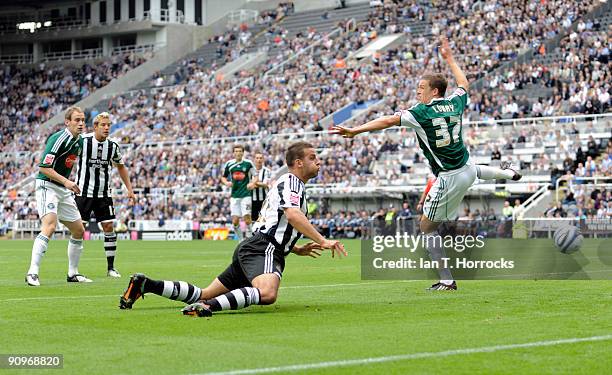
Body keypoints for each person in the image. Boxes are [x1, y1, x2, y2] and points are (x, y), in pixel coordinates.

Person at [331, 36, 521, 291]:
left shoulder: (421, 112)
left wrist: (356, 130)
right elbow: (463, 83)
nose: (417, 91)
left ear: (434, 91)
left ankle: (447, 280)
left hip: (449, 177)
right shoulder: (455, 103)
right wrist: (450, 59)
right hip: (467, 168)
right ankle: (507, 173)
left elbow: (387, 121)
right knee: (474, 171)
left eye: (422, 87)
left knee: (426, 226)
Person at [119, 142, 346, 317]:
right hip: (263, 248)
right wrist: (323, 240)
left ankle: (146, 284)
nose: (318, 162)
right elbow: (292, 215)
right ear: (298, 163)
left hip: (254, 246)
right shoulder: (291, 182)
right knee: (267, 293)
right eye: (313, 158)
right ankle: (205, 308)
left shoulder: (287, 184)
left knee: (204, 292)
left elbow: (273, 221)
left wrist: (295, 248)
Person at [26, 106, 90, 286]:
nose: (81, 123)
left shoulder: (79, 142)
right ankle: (32, 272)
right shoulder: (58, 139)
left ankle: (73, 273)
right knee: (50, 226)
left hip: (62, 188)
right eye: (77, 120)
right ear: (67, 122)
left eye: (83, 120)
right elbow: (43, 168)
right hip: (47, 185)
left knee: (78, 230)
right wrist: (67, 182)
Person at [75, 112, 135, 278]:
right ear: (95, 126)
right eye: (103, 125)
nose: (107, 128)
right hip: (83, 193)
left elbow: (121, 166)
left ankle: (111, 268)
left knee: (108, 227)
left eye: (109, 124)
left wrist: (129, 189)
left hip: (103, 193)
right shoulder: (83, 142)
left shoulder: (113, 146)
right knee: (79, 230)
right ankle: (74, 270)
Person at [221, 145, 255, 240]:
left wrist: (252, 183)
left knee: (247, 218)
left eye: (240, 151)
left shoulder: (248, 163)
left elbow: (255, 176)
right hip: (234, 196)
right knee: (235, 221)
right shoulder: (229, 164)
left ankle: (249, 239)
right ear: (233, 153)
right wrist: (226, 182)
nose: (238, 153)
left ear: (243, 152)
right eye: (236, 151)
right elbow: (223, 177)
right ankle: (240, 241)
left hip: (246, 195)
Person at [247, 151, 272, 222]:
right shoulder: (249, 171)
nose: (259, 160)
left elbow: (265, 184)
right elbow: (248, 186)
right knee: (253, 220)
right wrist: (258, 183)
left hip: (264, 200)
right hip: (252, 200)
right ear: (254, 159)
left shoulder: (267, 171)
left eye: (261, 158)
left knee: (264, 219)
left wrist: (253, 182)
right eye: (257, 158)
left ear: (263, 159)